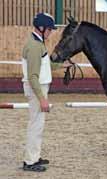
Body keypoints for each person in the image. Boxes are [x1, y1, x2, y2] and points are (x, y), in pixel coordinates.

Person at [21, 13, 70, 172]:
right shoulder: (35, 46)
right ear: (41, 28)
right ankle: (30, 161)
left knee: (37, 125)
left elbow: (45, 65)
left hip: (39, 89)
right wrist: (42, 99)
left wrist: (61, 65)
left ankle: (34, 156)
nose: (51, 32)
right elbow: (33, 76)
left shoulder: (38, 42)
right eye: (49, 29)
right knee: (36, 125)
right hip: (37, 90)